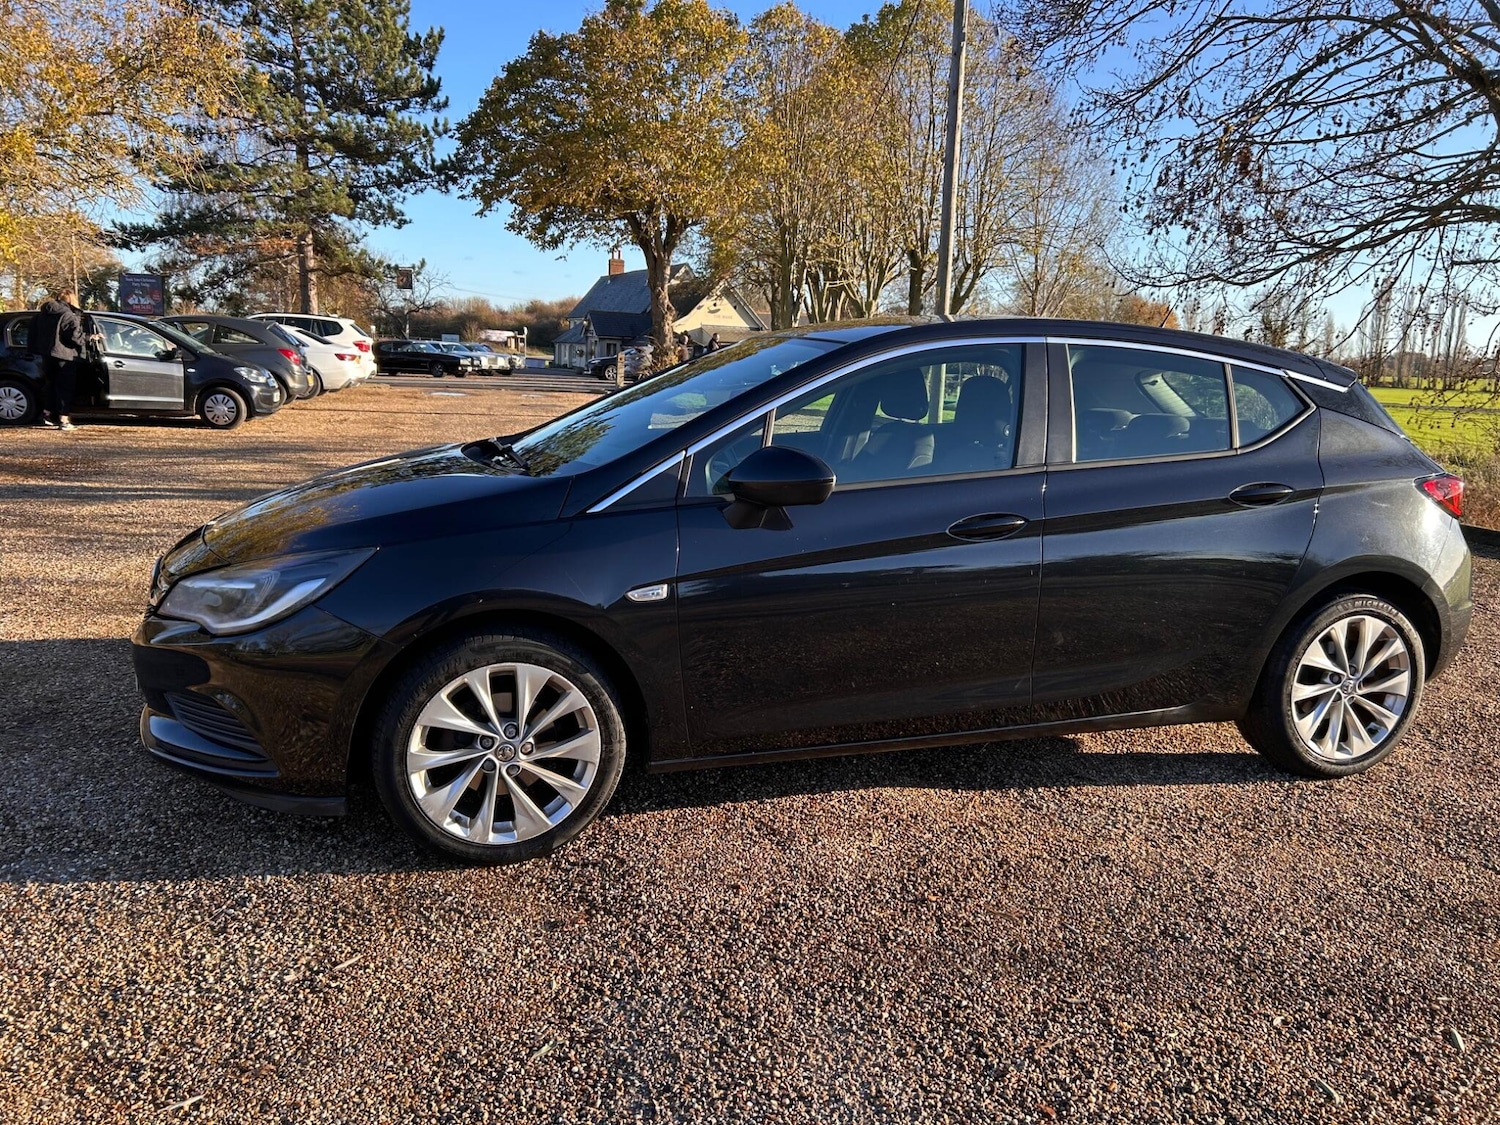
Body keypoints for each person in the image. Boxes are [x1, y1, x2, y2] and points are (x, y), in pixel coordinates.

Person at [28, 288, 87, 430]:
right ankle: (63, 420)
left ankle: (46, 414)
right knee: (64, 388)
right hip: (64, 356)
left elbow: (33, 333)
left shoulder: (43, 314)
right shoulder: (68, 315)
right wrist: (90, 338)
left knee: (51, 385)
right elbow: (75, 337)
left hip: (46, 355)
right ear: (72, 300)